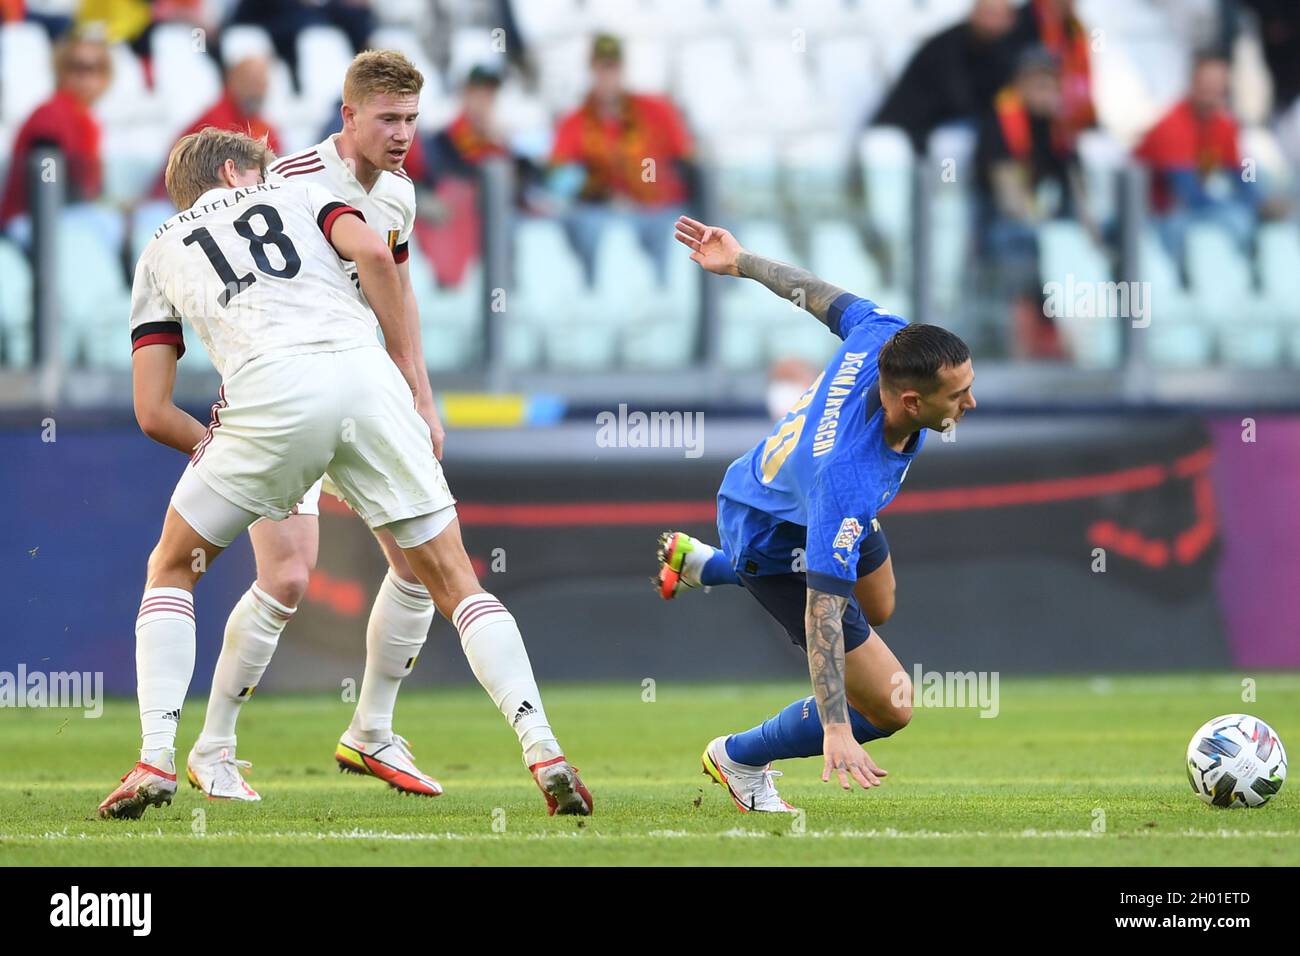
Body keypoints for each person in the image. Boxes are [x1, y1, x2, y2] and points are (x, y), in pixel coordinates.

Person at [97, 127, 592, 820]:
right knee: (454, 580)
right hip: (366, 378)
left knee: (174, 566)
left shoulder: (158, 249)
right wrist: (412, 377)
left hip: (269, 395)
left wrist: (227, 449)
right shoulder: (303, 189)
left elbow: (151, 411)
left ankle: (157, 756)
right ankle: (542, 745)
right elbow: (371, 254)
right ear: (239, 172)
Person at [655, 216, 976, 813]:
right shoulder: (847, 482)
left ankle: (704, 565)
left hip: (791, 491)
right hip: (770, 531)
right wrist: (836, 727)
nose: (970, 402)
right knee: (893, 703)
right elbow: (820, 610)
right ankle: (739, 755)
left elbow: (818, 293)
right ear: (911, 402)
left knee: (880, 605)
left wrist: (741, 260)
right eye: (957, 396)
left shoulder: (884, 334)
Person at [549, 33, 694, 285]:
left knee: (679, 229)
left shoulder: (656, 110)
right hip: (606, 215)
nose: (607, 77)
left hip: (660, 213)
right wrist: (601, 192)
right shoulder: (575, 122)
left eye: (612, 68)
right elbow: (557, 180)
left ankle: (668, 301)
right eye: (601, 69)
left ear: (622, 69)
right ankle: (593, 295)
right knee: (596, 229)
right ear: (592, 70)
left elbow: (688, 162)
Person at [974, 47, 1091, 357]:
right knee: (1022, 252)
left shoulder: (1060, 129)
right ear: (1021, 84)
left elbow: (1078, 190)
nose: (1046, 92)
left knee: (1080, 253)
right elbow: (1008, 194)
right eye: (1039, 83)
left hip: (1055, 229)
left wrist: (1090, 234)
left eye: (1051, 83)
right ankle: (1021, 349)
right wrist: (1042, 225)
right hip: (1007, 225)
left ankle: (1081, 344)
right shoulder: (1001, 122)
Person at [1134, 50, 1270, 259]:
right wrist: (1232, 205)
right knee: (1234, 219)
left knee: (1255, 209)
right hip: (1158, 213)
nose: (1212, 90)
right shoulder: (1171, 124)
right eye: (1206, 83)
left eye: (1218, 84)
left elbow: (1242, 175)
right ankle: (1182, 284)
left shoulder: (1224, 125)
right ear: (1193, 82)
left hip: (1198, 204)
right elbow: (1185, 191)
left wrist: (1261, 202)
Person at [0, 29, 116, 247]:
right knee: (106, 224)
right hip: (31, 221)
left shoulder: (85, 119)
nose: (86, 78)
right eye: (76, 68)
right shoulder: (51, 114)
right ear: (60, 70)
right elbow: (45, 183)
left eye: (96, 69)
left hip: (65, 217)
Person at [873, 0, 1021, 153]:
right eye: (988, 14)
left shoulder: (1004, 50)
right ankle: (948, 178)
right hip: (916, 129)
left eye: (998, 16)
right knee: (950, 148)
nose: (991, 23)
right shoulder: (946, 47)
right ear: (972, 14)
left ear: (1011, 20)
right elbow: (958, 101)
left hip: (952, 129)